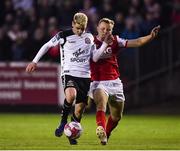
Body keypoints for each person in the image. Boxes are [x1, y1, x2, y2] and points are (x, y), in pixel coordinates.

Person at [26, 13, 112, 145]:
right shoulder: (63, 35)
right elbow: (47, 45)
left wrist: (105, 45)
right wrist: (34, 61)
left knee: (80, 109)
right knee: (71, 96)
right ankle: (63, 122)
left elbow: (94, 57)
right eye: (77, 28)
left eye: (82, 28)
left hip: (85, 76)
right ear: (72, 24)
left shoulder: (89, 37)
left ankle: (72, 133)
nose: (79, 31)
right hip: (69, 72)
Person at [89, 18, 160, 145]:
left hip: (115, 82)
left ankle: (107, 133)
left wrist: (150, 36)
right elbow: (92, 58)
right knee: (101, 104)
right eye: (103, 29)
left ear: (112, 30)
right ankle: (101, 129)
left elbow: (137, 42)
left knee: (116, 117)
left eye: (108, 29)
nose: (105, 31)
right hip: (98, 82)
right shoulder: (90, 42)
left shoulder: (116, 40)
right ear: (97, 29)